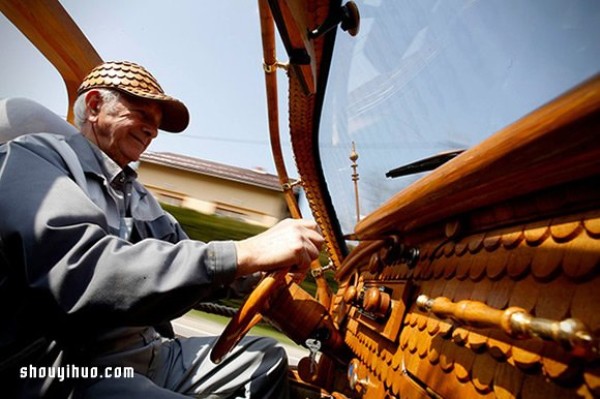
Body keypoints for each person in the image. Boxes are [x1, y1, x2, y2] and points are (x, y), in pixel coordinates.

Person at [0, 61, 324, 398]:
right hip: (75, 365)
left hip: (149, 352)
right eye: (142, 115)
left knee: (266, 357)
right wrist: (245, 252)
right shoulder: (33, 159)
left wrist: (257, 274)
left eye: (156, 126)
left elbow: (184, 255)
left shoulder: (136, 194)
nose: (152, 132)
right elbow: (83, 270)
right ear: (95, 106)